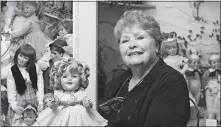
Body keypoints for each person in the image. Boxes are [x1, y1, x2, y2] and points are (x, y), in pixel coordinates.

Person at [99, 10, 190, 126]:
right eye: (125, 40)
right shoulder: (117, 82)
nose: (132, 45)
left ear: (157, 45)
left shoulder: (172, 82)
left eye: (140, 37)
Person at [35, 58, 107, 126]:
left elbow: (85, 101)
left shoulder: (80, 92)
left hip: (79, 116)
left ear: (81, 78)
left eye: (74, 76)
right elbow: (55, 104)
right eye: (65, 77)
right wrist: (53, 103)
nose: (69, 79)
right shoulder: (59, 93)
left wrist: (87, 103)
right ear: (58, 79)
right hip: (61, 115)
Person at [6, 44, 44, 126]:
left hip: (33, 100)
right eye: (20, 56)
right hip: (19, 100)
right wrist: (14, 106)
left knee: (33, 122)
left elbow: (39, 86)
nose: (22, 59)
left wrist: (40, 102)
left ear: (30, 60)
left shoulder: (36, 68)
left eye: (25, 58)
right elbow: (11, 90)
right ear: (17, 54)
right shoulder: (11, 70)